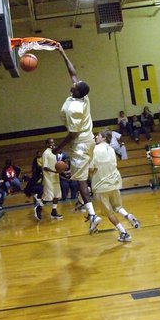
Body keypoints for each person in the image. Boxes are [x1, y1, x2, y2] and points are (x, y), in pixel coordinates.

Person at [52, 43, 101, 234]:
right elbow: (73, 73)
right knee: (78, 176)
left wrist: (58, 149)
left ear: (77, 91)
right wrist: (62, 53)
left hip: (80, 142)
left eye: (76, 84)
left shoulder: (75, 109)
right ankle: (88, 207)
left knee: (79, 180)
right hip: (85, 140)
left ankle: (92, 213)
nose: (74, 82)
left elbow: (72, 135)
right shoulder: (81, 95)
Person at [89, 130, 141, 242]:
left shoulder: (95, 150)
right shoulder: (112, 149)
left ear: (103, 138)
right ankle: (127, 216)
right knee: (118, 207)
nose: (96, 137)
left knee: (109, 213)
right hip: (114, 183)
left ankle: (124, 233)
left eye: (97, 135)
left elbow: (91, 169)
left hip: (101, 186)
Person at [34, 138, 63, 221]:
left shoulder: (54, 153)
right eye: (50, 143)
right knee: (48, 197)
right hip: (49, 178)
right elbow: (45, 167)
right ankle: (38, 208)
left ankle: (54, 212)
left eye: (53, 142)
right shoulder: (46, 153)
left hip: (55, 177)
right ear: (46, 144)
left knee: (57, 196)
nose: (52, 144)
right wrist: (55, 171)